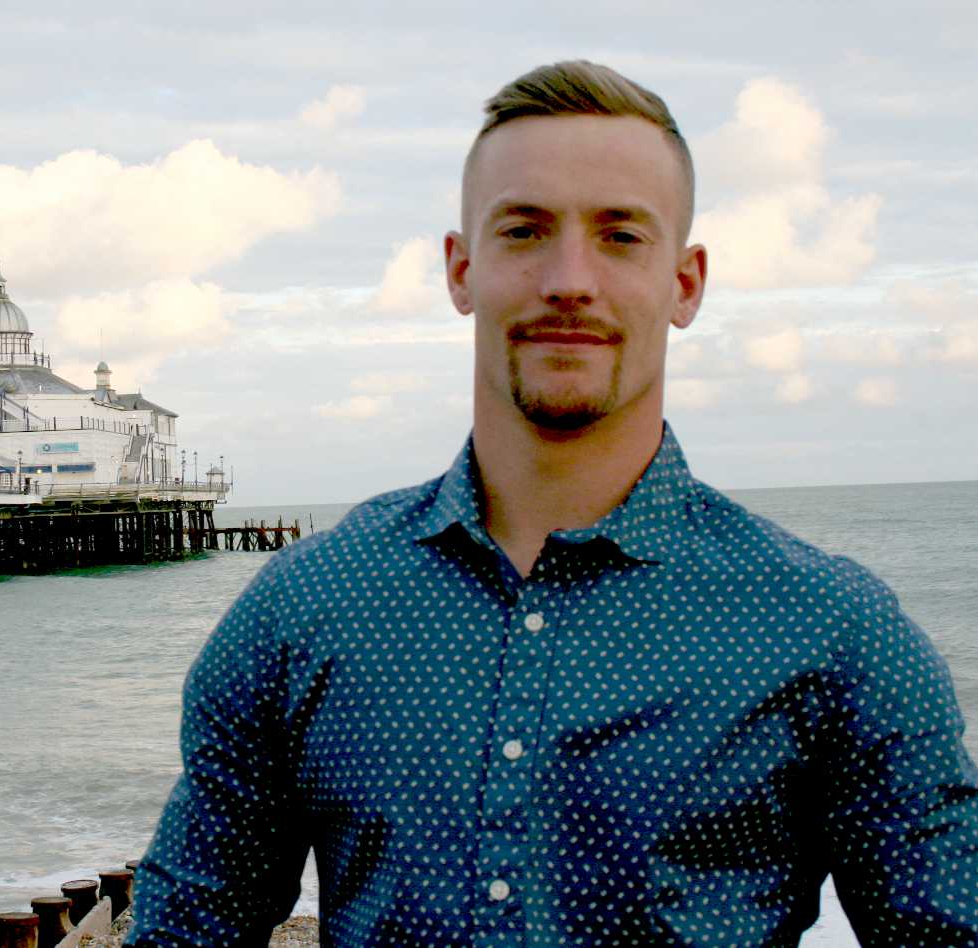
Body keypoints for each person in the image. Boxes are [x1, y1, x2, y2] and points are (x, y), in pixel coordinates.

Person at [126, 61, 978, 946]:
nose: (569, 279)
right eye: (525, 231)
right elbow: (187, 927)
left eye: (619, 237)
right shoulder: (305, 608)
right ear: (460, 269)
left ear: (684, 283)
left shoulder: (827, 629)